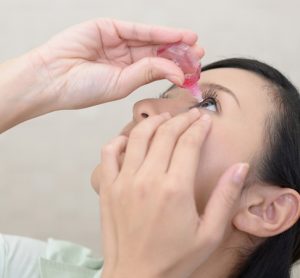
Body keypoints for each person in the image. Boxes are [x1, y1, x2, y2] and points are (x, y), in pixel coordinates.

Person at [91, 58, 300, 278]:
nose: (142, 106)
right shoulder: (56, 261)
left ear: (266, 209)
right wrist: (51, 86)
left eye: (208, 104)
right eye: (166, 96)